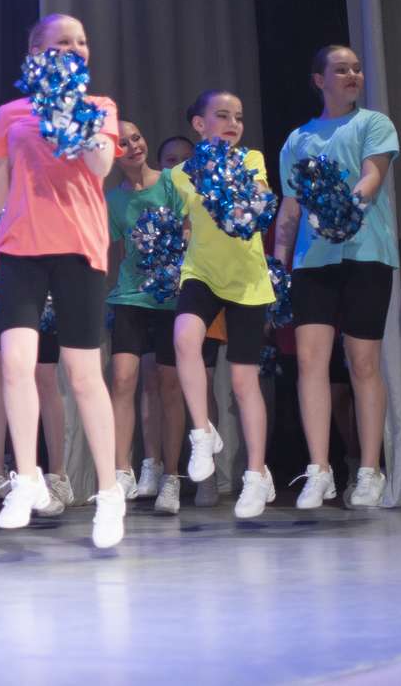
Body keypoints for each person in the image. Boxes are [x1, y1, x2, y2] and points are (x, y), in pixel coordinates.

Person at [0, 13, 126, 549]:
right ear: (37, 52)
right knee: (14, 364)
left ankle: (109, 493)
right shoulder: (11, 112)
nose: (76, 48)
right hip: (19, 248)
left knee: (83, 375)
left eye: (82, 41)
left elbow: (100, 167)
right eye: (63, 41)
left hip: (80, 247)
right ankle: (27, 478)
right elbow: (0, 177)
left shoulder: (99, 107)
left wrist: (72, 111)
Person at [273, 45, 400, 510]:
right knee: (311, 363)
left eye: (357, 69)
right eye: (341, 69)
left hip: (366, 254)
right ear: (318, 80)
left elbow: (372, 177)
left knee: (363, 362)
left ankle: (369, 470)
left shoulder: (374, 124)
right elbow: (289, 209)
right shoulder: (297, 139)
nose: (352, 75)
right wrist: (279, 266)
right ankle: (320, 470)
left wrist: (343, 211)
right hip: (313, 261)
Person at [171, 91, 278, 518]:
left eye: (238, 116)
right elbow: (183, 221)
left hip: (247, 280)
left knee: (242, 381)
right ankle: (202, 434)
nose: (233, 123)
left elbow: (259, 200)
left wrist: (231, 181)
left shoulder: (251, 160)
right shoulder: (179, 174)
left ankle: (255, 474)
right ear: (199, 124)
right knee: (184, 339)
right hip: (201, 272)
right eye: (222, 115)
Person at [107, 120, 186, 507]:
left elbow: (189, 230)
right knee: (122, 379)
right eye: (123, 143)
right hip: (129, 297)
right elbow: (113, 250)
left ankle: (171, 476)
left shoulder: (171, 182)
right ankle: (122, 472)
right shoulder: (113, 200)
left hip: (171, 298)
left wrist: (171, 261)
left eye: (137, 137)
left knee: (169, 385)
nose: (134, 146)